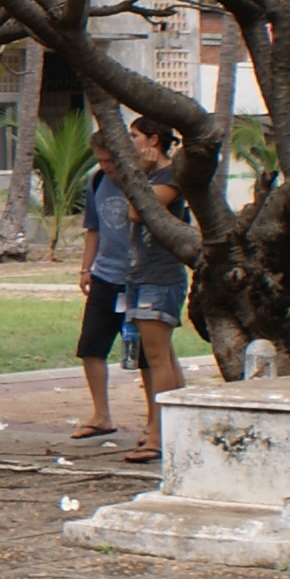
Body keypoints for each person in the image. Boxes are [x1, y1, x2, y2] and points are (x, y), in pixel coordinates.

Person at [115, 117, 190, 463]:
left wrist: (139, 175)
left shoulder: (169, 176)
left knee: (158, 357)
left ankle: (160, 434)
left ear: (154, 139)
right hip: (139, 271)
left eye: (134, 135)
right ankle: (164, 425)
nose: (129, 141)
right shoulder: (148, 178)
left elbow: (135, 211)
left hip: (160, 275)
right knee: (158, 355)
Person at [74, 153, 134, 445]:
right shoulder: (97, 179)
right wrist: (87, 268)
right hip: (105, 275)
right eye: (100, 160)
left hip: (139, 277)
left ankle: (154, 423)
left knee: (145, 356)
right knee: (90, 347)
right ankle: (101, 415)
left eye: (111, 160)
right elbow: (93, 229)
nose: (106, 166)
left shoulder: (141, 180)